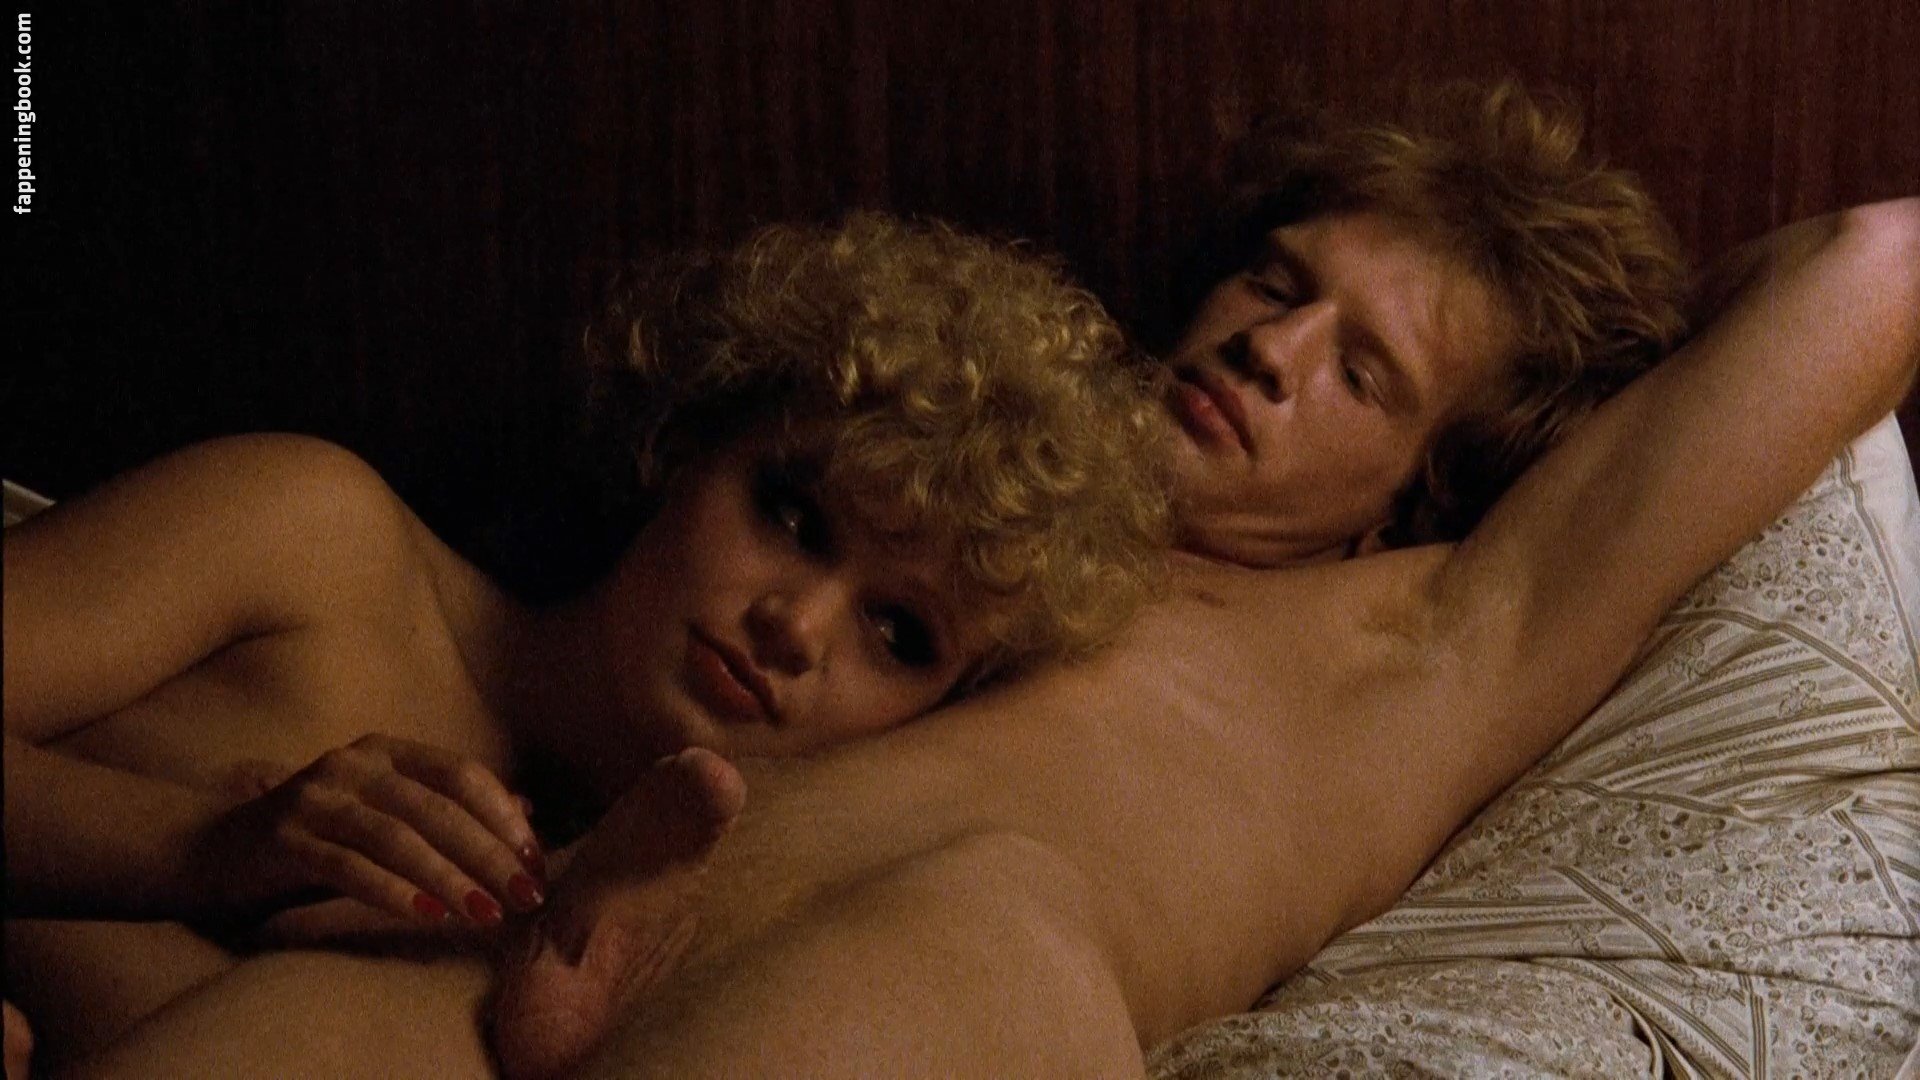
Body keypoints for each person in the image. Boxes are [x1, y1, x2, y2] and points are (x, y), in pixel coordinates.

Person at [25, 87, 1920, 1078]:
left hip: (946, 979)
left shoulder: (1425, 638)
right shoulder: (947, 533)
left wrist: (1590, 381)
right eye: (1279, 282)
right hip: (541, 937)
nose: (1272, 350)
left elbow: (1870, 264)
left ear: (1425, 491)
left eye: (1364, 372)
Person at [1, 214, 1172, 1070]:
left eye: (900, 634)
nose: (796, 626)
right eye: (791, 513)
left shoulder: (663, 960)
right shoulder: (320, 541)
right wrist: (203, 849)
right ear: (686, 442)